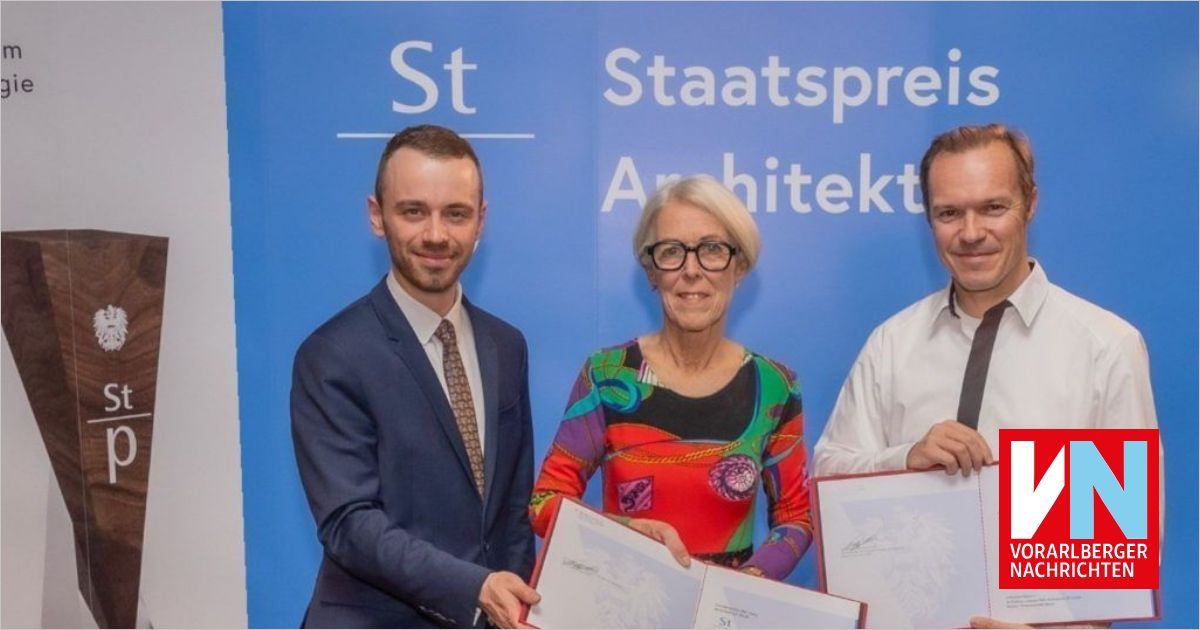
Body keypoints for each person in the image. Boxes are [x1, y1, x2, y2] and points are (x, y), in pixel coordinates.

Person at [813, 123, 1158, 628]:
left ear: (1030, 204)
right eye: (949, 213)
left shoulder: (1104, 347)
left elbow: (1118, 557)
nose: (971, 233)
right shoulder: (891, 343)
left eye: (993, 207)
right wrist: (905, 458)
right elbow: (828, 479)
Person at [291, 125, 538, 628]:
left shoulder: (506, 345)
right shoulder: (331, 355)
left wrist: (517, 607)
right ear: (376, 215)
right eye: (413, 211)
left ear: (481, 220)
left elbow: (512, 512)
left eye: (456, 213)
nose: (436, 235)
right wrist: (475, 587)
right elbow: (349, 523)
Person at [530, 175, 812, 580]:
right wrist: (626, 532)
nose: (691, 270)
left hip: (726, 610)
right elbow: (545, 501)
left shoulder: (774, 386)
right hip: (622, 601)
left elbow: (795, 516)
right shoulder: (608, 375)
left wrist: (751, 581)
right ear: (651, 271)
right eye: (671, 252)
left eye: (712, 250)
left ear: (739, 266)